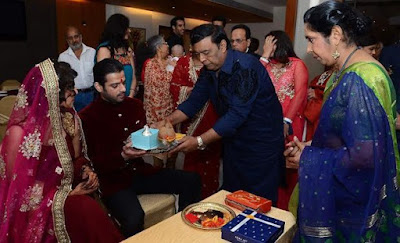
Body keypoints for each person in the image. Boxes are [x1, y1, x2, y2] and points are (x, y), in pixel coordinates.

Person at [285, 1, 400, 241]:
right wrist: (311, 146)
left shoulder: (361, 79)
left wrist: (308, 158)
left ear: (335, 35)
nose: (308, 49)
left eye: (311, 38)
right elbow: (352, 139)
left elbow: (365, 157)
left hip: (353, 207)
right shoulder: (349, 70)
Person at [0, 59, 122, 242]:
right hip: (38, 209)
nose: (76, 93)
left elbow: (77, 157)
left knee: (88, 211)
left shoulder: (66, 119)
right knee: (83, 209)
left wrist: (84, 170)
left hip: (67, 192)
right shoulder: (19, 134)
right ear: (52, 94)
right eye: (70, 89)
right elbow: (17, 190)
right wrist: (66, 196)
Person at [162, 24, 284, 203]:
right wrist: (167, 120)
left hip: (260, 144)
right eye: (198, 54)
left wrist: (198, 141)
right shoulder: (210, 69)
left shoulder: (246, 67)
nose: (202, 59)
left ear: (223, 46)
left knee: (257, 201)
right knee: (233, 195)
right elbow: (194, 101)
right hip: (234, 140)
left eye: (206, 52)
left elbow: (236, 114)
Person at [79, 58, 201, 237]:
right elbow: (93, 162)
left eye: (123, 82)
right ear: (98, 87)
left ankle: (183, 234)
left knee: (192, 180)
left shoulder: (134, 105)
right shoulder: (87, 117)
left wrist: (163, 143)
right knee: (134, 217)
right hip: (112, 181)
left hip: (140, 172)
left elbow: (145, 140)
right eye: (114, 86)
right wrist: (123, 156)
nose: (122, 89)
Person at [260, 30, 308, 210]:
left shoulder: (297, 65)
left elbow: (300, 94)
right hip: (267, 122)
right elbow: (252, 81)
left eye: (269, 43)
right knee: (269, 165)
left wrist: (286, 121)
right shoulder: (266, 65)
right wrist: (264, 56)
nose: (267, 47)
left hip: (291, 121)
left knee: (288, 164)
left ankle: (286, 208)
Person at [170, 54, 221, 198]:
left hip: (213, 115)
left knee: (211, 153)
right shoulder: (184, 62)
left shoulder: (216, 63)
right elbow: (174, 86)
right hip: (189, 114)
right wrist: (188, 91)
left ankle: (209, 195)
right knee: (189, 153)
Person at [143, 35, 176, 168]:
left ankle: (171, 175)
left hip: (171, 110)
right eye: (165, 43)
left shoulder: (170, 60)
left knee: (172, 147)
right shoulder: (151, 64)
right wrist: (172, 69)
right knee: (159, 149)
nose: (167, 45)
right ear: (158, 48)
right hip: (156, 112)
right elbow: (161, 84)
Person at [96, 13, 137, 98]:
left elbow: (133, 76)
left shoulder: (128, 50)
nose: (129, 31)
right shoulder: (105, 50)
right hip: (111, 100)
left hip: (128, 98)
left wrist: (131, 94)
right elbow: (103, 80)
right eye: (126, 28)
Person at [58, 26, 96, 111]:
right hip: (74, 97)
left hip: (92, 94)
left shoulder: (92, 52)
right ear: (67, 41)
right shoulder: (63, 57)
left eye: (76, 36)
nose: (74, 40)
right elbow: (62, 80)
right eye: (70, 38)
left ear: (81, 37)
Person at [303, 68, 333, 141]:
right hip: (312, 109)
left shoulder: (342, 75)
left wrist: (317, 93)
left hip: (324, 111)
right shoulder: (325, 74)